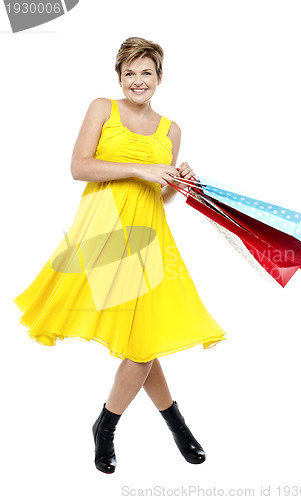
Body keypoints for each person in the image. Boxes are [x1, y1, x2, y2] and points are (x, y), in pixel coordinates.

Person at [13, 36, 227, 474]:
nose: (137, 80)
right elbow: (79, 167)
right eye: (129, 72)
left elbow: (162, 196)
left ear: (159, 77)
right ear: (119, 77)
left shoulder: (172, 130)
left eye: (146, 72)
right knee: (143, 343)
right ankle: (167, 425)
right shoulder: (102, 109)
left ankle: (113, 425)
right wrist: (139, 167)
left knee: (142, 341)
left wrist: (180, 182)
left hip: (151, 238)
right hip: (104, 237)